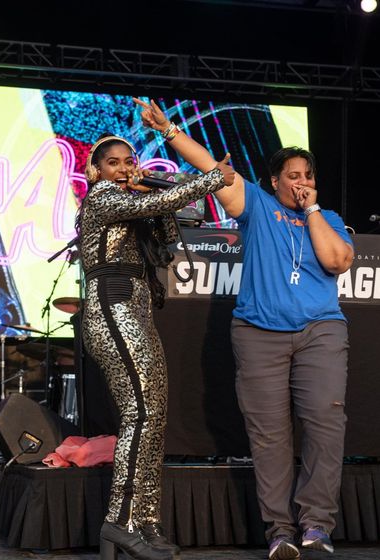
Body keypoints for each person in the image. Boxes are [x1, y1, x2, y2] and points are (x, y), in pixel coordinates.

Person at [134, 98, 354, 560]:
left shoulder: (329, 220)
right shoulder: (257, 205)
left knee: (325, 425)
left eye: (308, 176)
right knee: (269, 436)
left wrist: (313, 211)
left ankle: (316, 525)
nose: (302, 182)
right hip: (258, 334)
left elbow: (337, 261)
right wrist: (169, 130)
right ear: (275, 181)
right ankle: (280, 531)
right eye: (293, 176)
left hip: (320, 333)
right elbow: (212, 168)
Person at [75, 133, 234, 560]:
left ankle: (145, 520)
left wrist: (151, 188)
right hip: (113, 311)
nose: (124, 168)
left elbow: (166, 232)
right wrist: (212, 178)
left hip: (137, 311)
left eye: (129, 161)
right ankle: (120, 521)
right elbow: (160, 203)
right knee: (141, 415)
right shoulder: (102, 198)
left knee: (153, 418)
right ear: (96, 171)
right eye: (114, 163)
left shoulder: (134, 202)